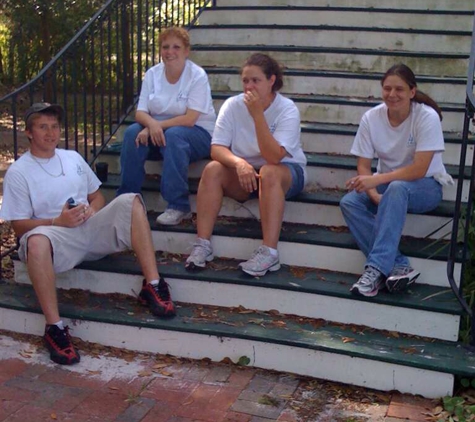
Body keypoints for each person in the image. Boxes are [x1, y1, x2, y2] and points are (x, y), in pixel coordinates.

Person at [0, 103, 176, 366]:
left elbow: (97, 196)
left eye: (54, 127)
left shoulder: (72, 158)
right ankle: (54, 328)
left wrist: (92, 211)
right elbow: (19, 226)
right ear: (29, 132)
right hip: (54, 235)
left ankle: (152, 285)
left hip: (87, 228)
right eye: (42, 127)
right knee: (35, 242)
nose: (50, 133)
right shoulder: (19, 172)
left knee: (131, 200)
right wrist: (57, 221)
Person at [184, 53, 307, 277]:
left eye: (255, 81)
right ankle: (202, 244)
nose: (249, 86)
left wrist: (258, 115)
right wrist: (239, 163)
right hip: (247, 174)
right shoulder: (232, 105)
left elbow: (274, 157)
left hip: (285, 173)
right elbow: (217, 148)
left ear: (271, 81)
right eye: (245, 81)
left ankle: (269, 253)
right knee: (212, 169)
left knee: (269, 171)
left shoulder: (287, 109)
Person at [340, 63, 452, 298]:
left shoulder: (425, 117)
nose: (392, 94)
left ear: (412, 91)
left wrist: (379, 181)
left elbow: (420, 169)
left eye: (399, 89)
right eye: (387, 88)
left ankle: (375, 270)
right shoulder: (372, 117)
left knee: (397, 187)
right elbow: (363, 164)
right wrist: (373, 193)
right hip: (387, 185)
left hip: (426, 186)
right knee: (350, 202)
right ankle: (399, 265)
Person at [117, 26, 216, 226]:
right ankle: (127, 201)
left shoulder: (197, 76)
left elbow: (190, 119)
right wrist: (152, 124)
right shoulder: (153, 74)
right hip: (160, 133)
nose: (170, 52)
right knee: (131, 134)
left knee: (175, 135)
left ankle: (178, 205)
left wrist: (156, 126)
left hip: (197, 135)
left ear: (186, 51)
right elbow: (140, 112)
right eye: (165, 47)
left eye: (176, 47)